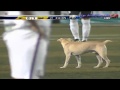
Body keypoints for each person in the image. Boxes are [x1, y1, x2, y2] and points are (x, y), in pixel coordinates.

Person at [2, 11, 52, 79]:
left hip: (20, 29)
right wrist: (35, 25)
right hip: (29, 31)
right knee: (29, 75)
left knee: (22, 75)